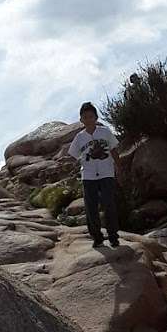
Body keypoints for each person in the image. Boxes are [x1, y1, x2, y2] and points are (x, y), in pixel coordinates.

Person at [68, 103, 121, 248]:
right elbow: (73, 155)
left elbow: (114, 149)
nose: (88, 119)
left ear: (96, 117)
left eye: (91, 116)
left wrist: (119, 167)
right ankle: (97, 237)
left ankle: (113, 236)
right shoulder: (79, 137)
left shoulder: (105, 132)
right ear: (81, 120)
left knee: (109, 205)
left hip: (106, 173)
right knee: (91, 208)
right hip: (89, 176)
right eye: (85, 117)